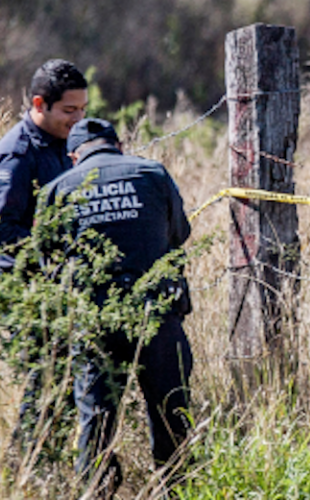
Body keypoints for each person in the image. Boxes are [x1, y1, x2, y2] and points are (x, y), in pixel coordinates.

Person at [38, 118, 194, 494]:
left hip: (96, 325)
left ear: (74, 156)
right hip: (156, 316)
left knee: (96, 422)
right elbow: (180, 234)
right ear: (118, 145)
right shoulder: (153, 173)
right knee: (172, 416)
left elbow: (50, 263)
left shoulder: (58, 189)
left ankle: (97, 489)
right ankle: (176, 489)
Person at [0, 58, 88, 273]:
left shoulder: (69, 138)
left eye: (82, 109)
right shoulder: (15, 156)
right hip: (28, 288)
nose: (79, 119)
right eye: (69, 110)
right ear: (39, 104)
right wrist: (58, 252)